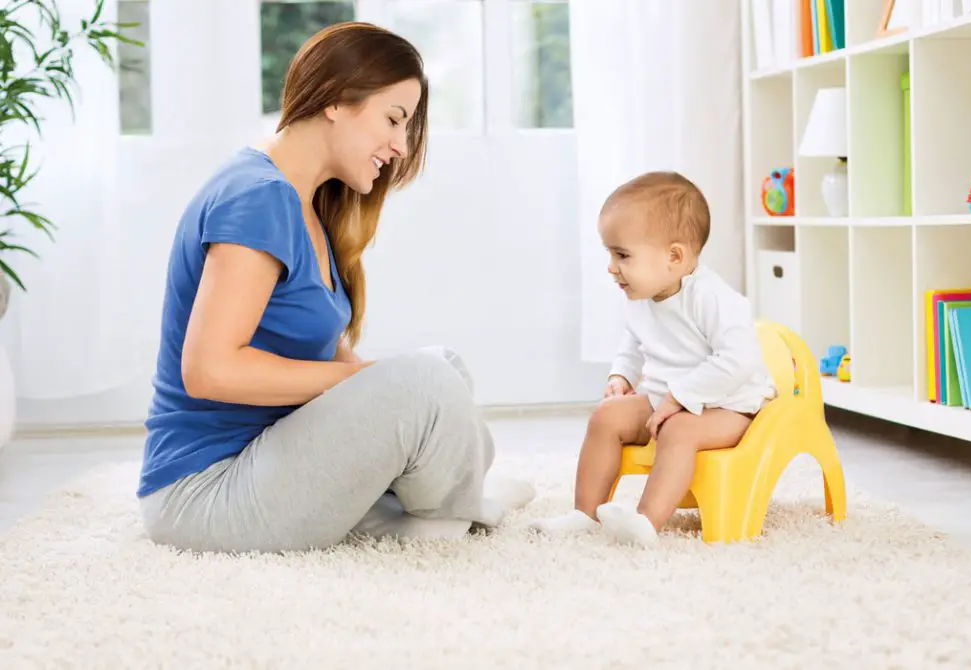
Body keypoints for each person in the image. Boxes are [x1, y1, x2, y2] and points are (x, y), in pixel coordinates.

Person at [138, 22, 534, 554]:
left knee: (443, 367)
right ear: (337, 100)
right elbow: (210, 370)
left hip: (268, 457)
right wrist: (380, 381)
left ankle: (429, 507)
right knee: (426, 382)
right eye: (394, 119)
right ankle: (443, 517)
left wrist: (383, 382)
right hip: (205, 492)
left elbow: (324, 356)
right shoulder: (258, 197)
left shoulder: (303, 203)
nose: (399, 145)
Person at [530, 171, 776, 547]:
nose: (611, 266)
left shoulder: (712, 299)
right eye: (610, 254)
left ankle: (647, 522)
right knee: (606, 417)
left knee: (679, 430)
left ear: (674, 257)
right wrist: (622, 376)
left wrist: (680, 397)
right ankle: (586, 512)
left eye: (622, 255)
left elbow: (738, 361)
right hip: (666, 400)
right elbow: (635, 340)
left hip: (727, 407)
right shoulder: (643, 295)